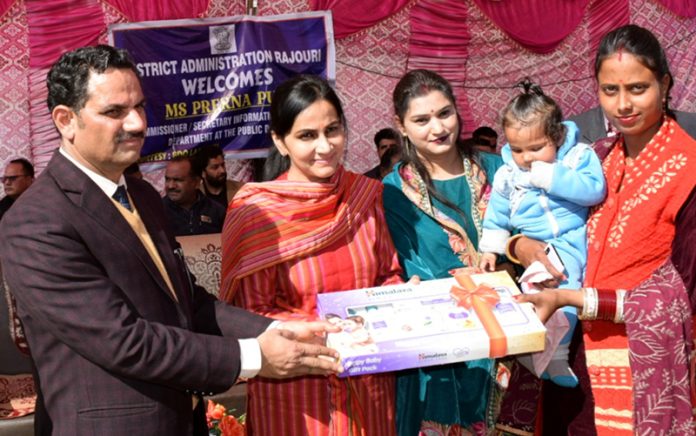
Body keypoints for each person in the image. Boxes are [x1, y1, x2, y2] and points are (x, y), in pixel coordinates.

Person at [0, 45, 342, 435]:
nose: (136, 123)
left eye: (140, 107)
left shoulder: (142, 195)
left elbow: (188, 304)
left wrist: (270, 329)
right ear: (66, 119)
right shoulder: (35, 221)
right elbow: (124, 340)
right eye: (115, 112)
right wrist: (254, 356)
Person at [514, 25, 696, 434]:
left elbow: (679, 295)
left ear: (665, 84)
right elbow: (541, 217)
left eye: (637, 88)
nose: (623, 104)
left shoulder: (691, 170)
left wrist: (575, 297)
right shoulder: (591, 160)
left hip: (644, 365)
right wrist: (519, 243)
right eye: (609, 90)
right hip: (574, 361)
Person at [220, 75, 404, 435]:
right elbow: (250, 314)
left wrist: (399, 298)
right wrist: (329, 332)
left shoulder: (364, 196)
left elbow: (388, 273)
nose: (325, 146)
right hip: (296, 390)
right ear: (280, 141)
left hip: (369, 380)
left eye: (332, 130)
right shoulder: (257, 212)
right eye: (307, 136)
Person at [382, 69, 504, 435]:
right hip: (441, 347)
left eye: (444, 113)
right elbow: (406, 265)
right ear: (401, 126)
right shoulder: (394, 190)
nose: (437, 128)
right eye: (422, 119)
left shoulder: (497, 170)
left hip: (512, 338)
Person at [478, 79, 606, 388]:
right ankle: (533, 347)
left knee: (564, 288)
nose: (527, 157)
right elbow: (497, 214)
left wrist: (552, 177)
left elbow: (594, 190)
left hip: (571, 238)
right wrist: (490, 249)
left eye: (537, 148)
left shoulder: (576, 157)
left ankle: (557, 355)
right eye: (518, 149)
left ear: (558, 135)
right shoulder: (509, 174)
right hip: (533, 243)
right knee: (535, 290)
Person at [163, 155, 226, 236]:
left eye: (178, 180)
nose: (171, 186)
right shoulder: (155, 213)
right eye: (167, 179)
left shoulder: (217, 211)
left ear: (196, 182)